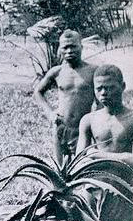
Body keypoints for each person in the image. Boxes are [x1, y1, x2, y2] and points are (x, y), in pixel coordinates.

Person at [76, 64, 133, 221]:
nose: (104, 93)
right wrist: (122, 157)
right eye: (99, 88)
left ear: (122, 86)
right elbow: (79, 159)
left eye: (110, 87)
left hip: (122, 194)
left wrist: (97, 155)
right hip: (93, 191)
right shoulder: (89, 120)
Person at [34, 30, 98, 165]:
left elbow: (101, 102)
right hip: (60, 127)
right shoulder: (57, 72)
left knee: (82, 167)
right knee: (62, 169)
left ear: (81, 46)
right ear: (60, 49)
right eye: (65, 47)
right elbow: (38, 92)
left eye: (73, 46)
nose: (69, 51)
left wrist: (95, 122)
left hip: (83, 129)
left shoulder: (93, 71)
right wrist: (50, 113)